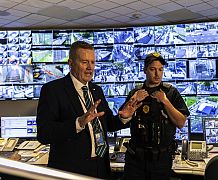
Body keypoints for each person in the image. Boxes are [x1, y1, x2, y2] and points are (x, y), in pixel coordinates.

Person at [36, 41, 140, 178]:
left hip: (100, 167)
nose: (90, 68)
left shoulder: (96, 90)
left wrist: (123, 117)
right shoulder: (53, 90)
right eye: (84, 62)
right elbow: (44, 134)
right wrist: (78, 123)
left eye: (92, 62)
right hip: (71, 171)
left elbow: (108, 124)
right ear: (71, 63)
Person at [120, 52, 190, 180]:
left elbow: (181, 123)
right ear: (145, 70)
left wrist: (165, 102)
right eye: (153, 69)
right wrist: (133, 100)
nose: (157, 74)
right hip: (136, 160)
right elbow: (122, 118)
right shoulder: (135, 93)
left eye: (160, 70)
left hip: (161, 161)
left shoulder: (171, 93)